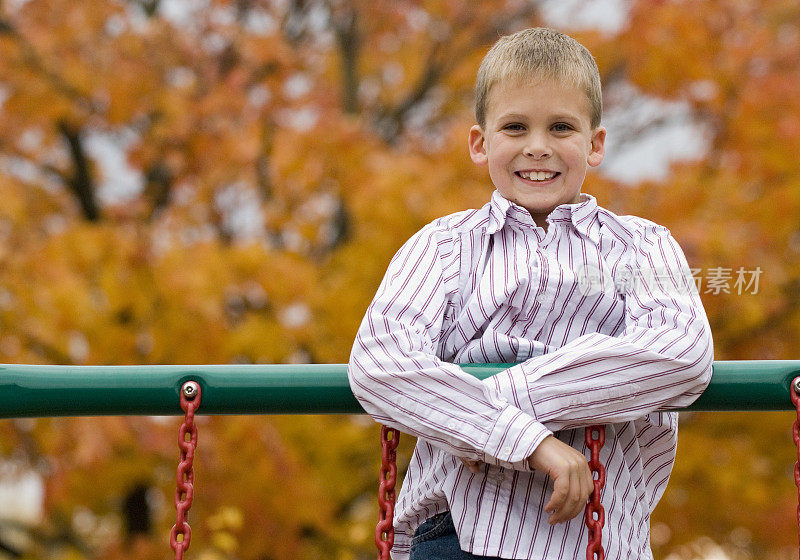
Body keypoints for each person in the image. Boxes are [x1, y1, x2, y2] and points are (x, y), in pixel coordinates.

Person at [348, 27, 713, 560]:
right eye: (515, 126)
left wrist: (501, 408)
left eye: (561, 127)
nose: (537, 147)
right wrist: (529, 440)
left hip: (600, 535)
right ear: (480, 143)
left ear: (595, 144)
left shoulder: (642, 247)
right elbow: (379, 362)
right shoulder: (443, 246)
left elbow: (681, 351)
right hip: (458, 534)